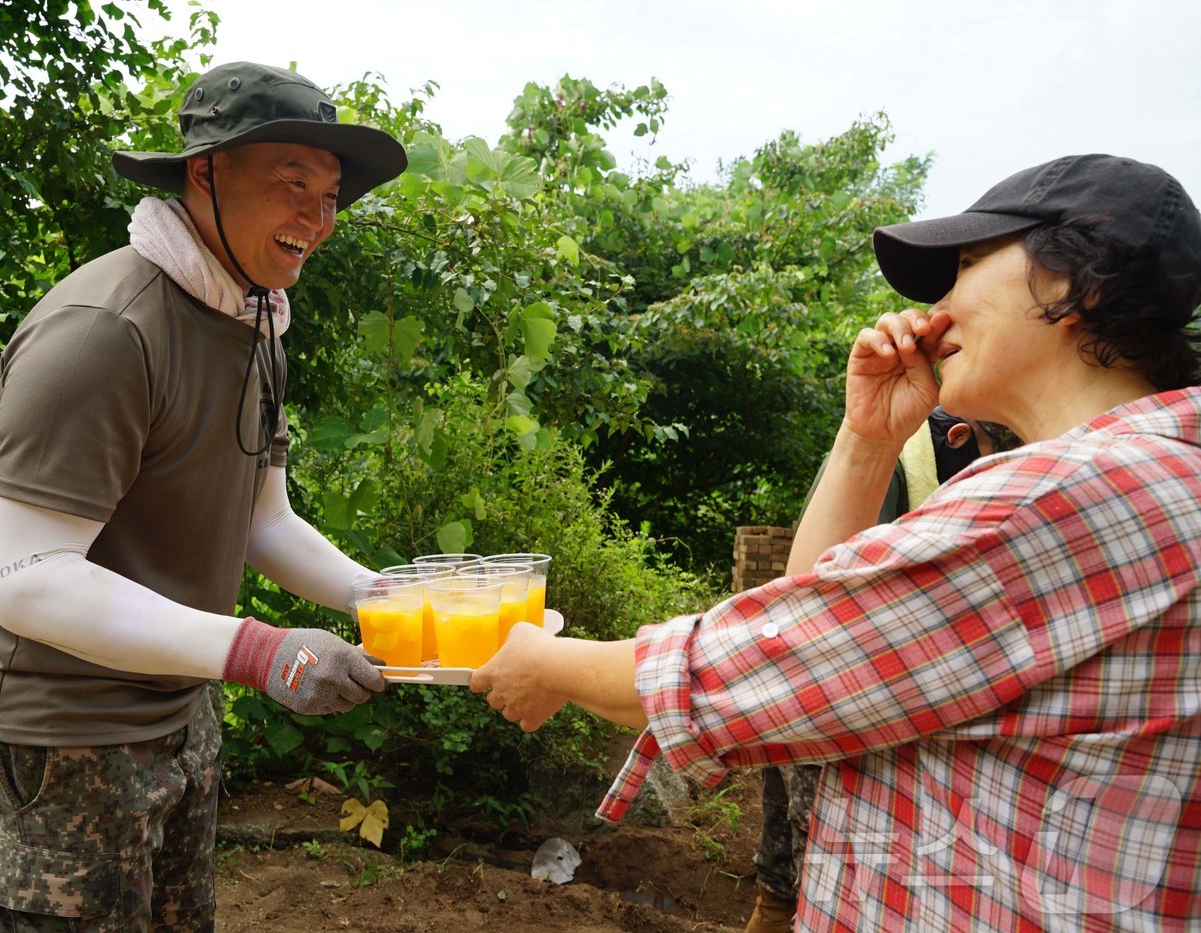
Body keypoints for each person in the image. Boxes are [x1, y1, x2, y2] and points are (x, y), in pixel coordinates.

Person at [472, 154, 1201, 929]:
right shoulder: (1149, 473)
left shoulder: (1067, 495)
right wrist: (868, 438)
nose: (938, 308)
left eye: (966, 266)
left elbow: (769, 659)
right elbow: (818, 610)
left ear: (1071, 282)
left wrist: (543, 660)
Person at [0, 62, 406, 930]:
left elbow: (266, 520)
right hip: (56, 730)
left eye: (332, 195)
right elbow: (29, 576)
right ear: (204, 173)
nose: (317, 217)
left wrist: (383, 596)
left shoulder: (256, 317)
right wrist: (263, 652)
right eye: (291, 184)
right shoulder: (106, 332)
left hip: (178, 701)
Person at [747, 407, 1000, 933]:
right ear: (963, 437)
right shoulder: (896, 466)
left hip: (842, 680)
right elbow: (819, 607)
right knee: (812, 842)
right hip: (834, 685)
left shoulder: (927, 454)